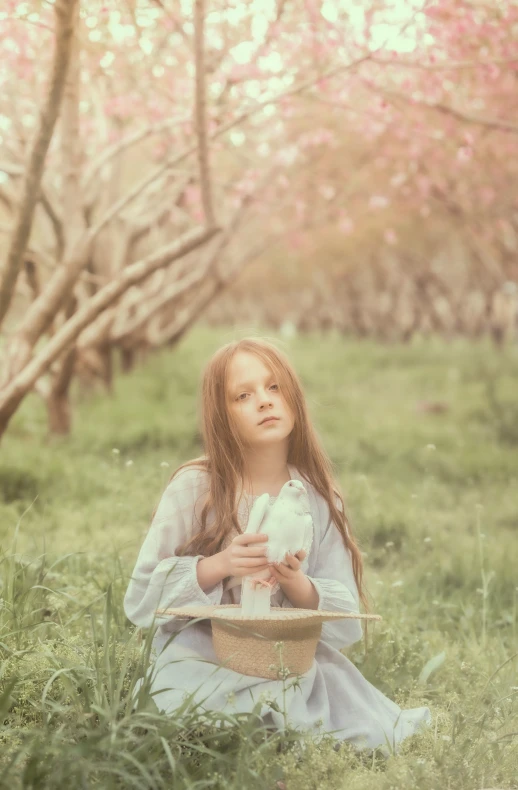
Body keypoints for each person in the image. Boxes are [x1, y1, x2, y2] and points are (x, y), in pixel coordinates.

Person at [123, 337, 431, 752]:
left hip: (291, 661)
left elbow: (346, 621)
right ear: (222, 415)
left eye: (274, 388)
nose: (264, 402)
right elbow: (141, 599)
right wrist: (221, 564)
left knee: (363, 729)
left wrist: (297, 583)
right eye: (243, 395)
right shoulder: (196, 487)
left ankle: (276, 731)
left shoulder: (318, 497)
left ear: (294, 398)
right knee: (182, 704)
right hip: (205, 653)